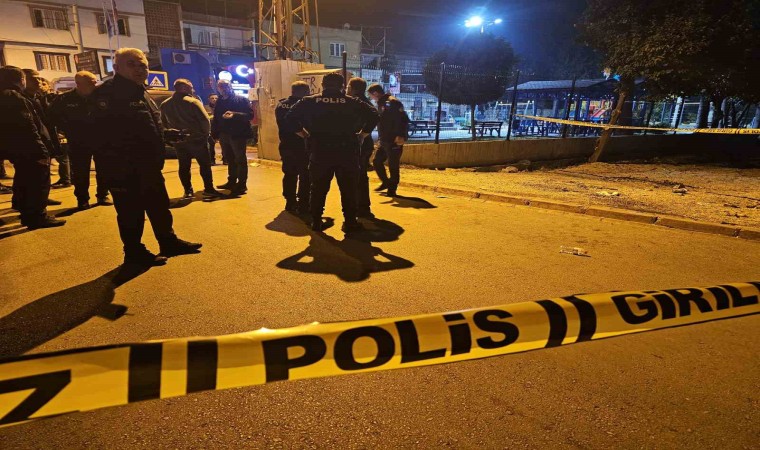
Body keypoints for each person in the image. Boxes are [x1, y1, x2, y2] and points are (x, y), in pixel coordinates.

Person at [91, 48, 201, 266]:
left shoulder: (141, 92)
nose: (139, 69)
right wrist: (114, 168)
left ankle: (168, 242)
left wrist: (166, 134)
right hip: (124, 169)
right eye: (131, 64)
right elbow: (101, 135)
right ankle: (134, 253)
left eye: (142, 65)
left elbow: (145, 126)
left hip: (149, 166)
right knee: (131, 213)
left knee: (159, 206)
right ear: (116, 68)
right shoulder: (106, 94)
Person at [286, 73, 379, 232]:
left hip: (320, 151)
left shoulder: (310, 101)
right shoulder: (352, 102)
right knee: (348, 189)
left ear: (322, 85)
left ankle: (316, 221)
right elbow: (374, 115)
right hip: (347, 151)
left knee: (318, 188)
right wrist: (363, 135)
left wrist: (304, 134)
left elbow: (289, 118)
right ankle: (350, 222)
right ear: (342, 86)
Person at [0, 66, 65, 228]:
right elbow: (28, 127)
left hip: (19, 149)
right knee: (36, 183)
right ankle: (37, 216)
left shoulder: (8, 95)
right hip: (29, 149)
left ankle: (27, 212)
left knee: (25, 180)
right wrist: (41, 151)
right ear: (21, 80)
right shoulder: (15, 97)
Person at [48, 71, 111, 210]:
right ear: (79, 84)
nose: (95, 85)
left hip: (101, 140)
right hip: (78, 141)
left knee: (104, 169)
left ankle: (102, 195)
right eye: (91, 82)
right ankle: (82, 199)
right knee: (80, 172)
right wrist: (66, 129)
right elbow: (52, 117)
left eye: (95, 82)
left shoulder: (101, 96)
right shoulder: (65, 99)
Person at [160, 79, 221, 198]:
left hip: (179, 141)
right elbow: (205, 120)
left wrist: (171, 137)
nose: (192, 90)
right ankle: (208, 189)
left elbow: (163, 122)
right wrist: (206, 135)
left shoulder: (165, 104)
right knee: (204, 165)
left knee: (184, 166)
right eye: (190, 87)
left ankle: (188, 190)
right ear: (183, 88)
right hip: (197, 139)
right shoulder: (193, 102)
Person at [22, 69, 71, 189]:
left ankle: (43, 193)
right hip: (31, 140)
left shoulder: (40, 97)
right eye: (34, 79)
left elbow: (50, 117)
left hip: (47, 137)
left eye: (39, 78)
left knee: (46, 167)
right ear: (23, 80)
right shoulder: (20, 99)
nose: (39, 82)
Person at [211, 80, 252, 195]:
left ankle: (242, 184)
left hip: (237, 134)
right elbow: (216, 118)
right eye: (220, 86)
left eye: (225, 86)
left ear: (230, 86)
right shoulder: (219, 101)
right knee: (229, 159)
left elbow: (250, 115)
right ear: (218, 88)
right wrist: (214, 134)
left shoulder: (241, 100)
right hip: (223, 134)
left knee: (240, 159)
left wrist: (235, 115)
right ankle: (231, 181)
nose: (223, 88)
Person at [275, 81, 310, 214]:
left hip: (286, 144)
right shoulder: (304, 105)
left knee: (289, 174)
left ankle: (290, 201)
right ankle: (303, 202)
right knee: (305, 174)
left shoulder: (281, 104)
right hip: (302, 145)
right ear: (304, 91)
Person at [367, 83, 409, 197]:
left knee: (393, 165)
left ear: (375, 93)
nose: (371, 98)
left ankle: (392, 189)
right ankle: (386, 182)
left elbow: (403, 120)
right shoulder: (382, 103)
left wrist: (401, 135)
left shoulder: (392, 102)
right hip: (384, 140)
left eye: (371, 95)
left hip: (394, 139)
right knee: (377, 161)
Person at [347, 77, 379, 218]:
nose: (346, 89)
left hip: (357, 144)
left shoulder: (355, 102)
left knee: (356, 177)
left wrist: (362, 134)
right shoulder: (366, 102)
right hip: (365, 144)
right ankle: (363, 207)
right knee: (361, 176)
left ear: (352, 88)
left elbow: (375, 116)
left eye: (348, 87)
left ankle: (360, 207)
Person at [205, 93, 219, 165]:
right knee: (211, 144)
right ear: (209, 99)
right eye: (212, 98)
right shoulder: (205, 108)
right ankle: (212, 160)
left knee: (224, 144)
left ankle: (225, 159)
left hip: (220, 128)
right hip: (210, 128)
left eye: (216, 98)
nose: (214, 100)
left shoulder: (221, 107)